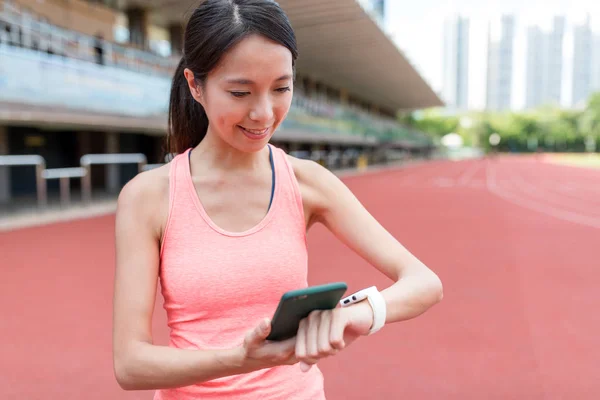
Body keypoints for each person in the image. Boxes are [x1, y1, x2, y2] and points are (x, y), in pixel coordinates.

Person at [112, 1, 443, 399]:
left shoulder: (307, 182)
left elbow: (424, 283)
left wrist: (350, 317)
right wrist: (239, 358)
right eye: (240, 92)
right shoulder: (149, 198)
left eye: (281, 88)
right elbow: (130, 364)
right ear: (195, 85)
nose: (264, 113)